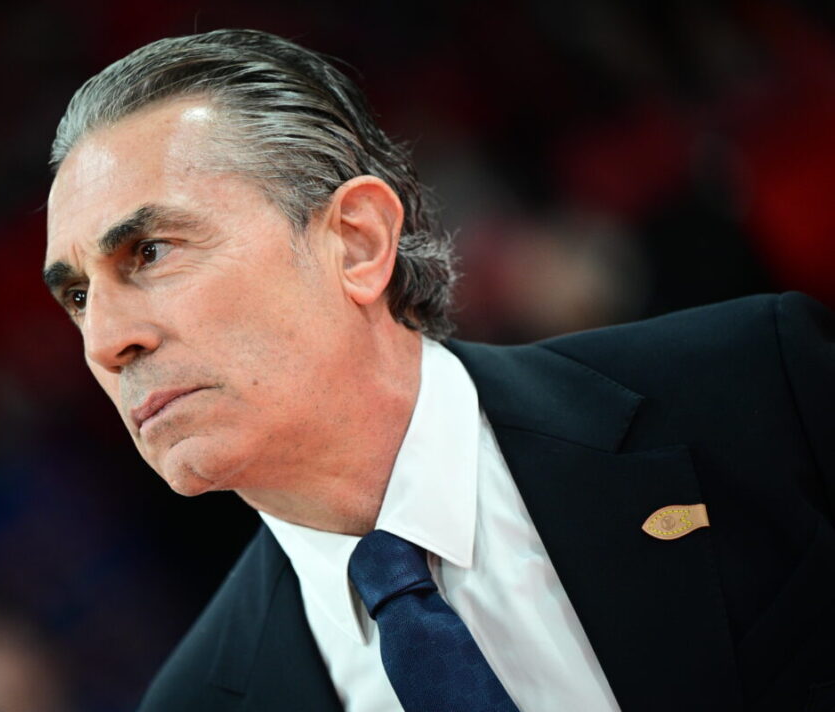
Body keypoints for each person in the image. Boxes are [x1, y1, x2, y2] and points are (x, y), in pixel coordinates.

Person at [42, 29, 834, 712]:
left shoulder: (760, 385)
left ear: (357, 242)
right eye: (77, 296)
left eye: (150, 252)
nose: (104, 341)